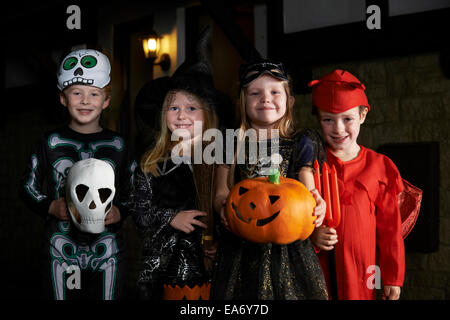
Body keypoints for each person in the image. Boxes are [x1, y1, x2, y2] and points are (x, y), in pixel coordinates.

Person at [19, 49, 136, 300]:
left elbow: (135, 189)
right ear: (63, 98)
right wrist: (50, 206)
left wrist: (120, 210)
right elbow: (27, 186)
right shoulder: (49, 141)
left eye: (94, 94)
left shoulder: (119, 145)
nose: (85, 100)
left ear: (106, 101)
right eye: (77, 93)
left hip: (108, 249)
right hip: (59, 247)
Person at [211, 60, 329, 300]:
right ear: (242, 102)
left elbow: (308, 191)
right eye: (255, 93)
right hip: (242, 248)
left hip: (290, 249)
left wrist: (318, 202)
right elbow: (221, 192)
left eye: (275, 92)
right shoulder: (230, 142)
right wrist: (222, 208)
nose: (265, 99)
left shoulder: (301, 141)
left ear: (290, 100)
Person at [129, 27, 224, 300]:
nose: (182, 115)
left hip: (209, 269)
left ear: (207, 116)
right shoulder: (152, 163)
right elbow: (139, 213)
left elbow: (232, 209)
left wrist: (220, 242)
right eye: (174, 108)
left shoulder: (220, 162)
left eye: (191, 108)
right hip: (165, 268)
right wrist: (171, 218)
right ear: (163, 115)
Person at [309, 69, 405, 300]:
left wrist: (392, 276)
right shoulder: (310, 164)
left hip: (363, 270)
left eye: (347, 119)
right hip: (320, 268)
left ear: (362, 116)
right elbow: (294, 214)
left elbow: (391, 229)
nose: (338, 129)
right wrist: (312, 235)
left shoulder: (379, 166)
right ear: (319, 119)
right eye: (328, 119)